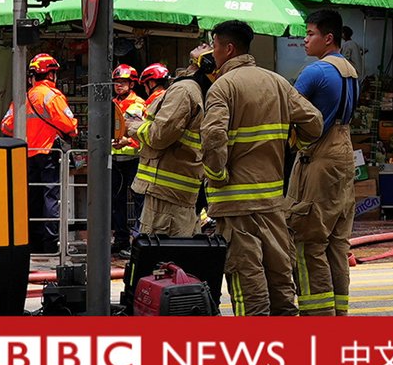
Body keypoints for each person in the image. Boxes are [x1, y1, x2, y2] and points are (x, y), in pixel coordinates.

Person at [201, 20, 323, 317]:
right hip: (271, 201)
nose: (212, 52)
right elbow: (315, 122)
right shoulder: (277, 82)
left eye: (214, 46)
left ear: (228, 48)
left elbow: (213, 137)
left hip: (235, 204)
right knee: (279, 274)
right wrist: (294, 141)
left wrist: (217, 176)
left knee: (247, 278)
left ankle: (254, 349)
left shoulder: (223, 87)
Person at [286, 7, 360, 317]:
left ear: (328, 38)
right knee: (337, 244)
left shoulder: (315, 72)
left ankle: (317, 317)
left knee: (309, 240)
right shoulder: (350, 70)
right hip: (343, 154)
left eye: (310, 33)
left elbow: (289, 110)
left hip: (318, 156)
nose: (305, 40)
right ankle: (337, 315)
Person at [1, 53, 79, 254]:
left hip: (27, 154)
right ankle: (50, 242)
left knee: (32, 197)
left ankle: (32, 240)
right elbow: (70, 124)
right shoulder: (52, 97)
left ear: (32, 76)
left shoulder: (21, 98)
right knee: (50, 197)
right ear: (51, 74)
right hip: (48, 152)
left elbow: (6, 126)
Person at [134, 48, 212, 238]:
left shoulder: (184, 90)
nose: (202, 44)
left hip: (166, 194)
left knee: (162, 257)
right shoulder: (193, 88)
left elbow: (160, 135)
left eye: (209, 44)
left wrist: (135, 128)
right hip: (179, 191)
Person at [110, 65, 145, 256]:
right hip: (115, 159)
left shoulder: (139, 103)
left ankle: (138, 241)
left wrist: (128, 141)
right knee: (117, 201)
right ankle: (121, 239)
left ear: (132, 83)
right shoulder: (112, 103)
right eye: (116, 82)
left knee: (139, 199)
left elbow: (143, 130)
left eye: (122, 82)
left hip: (133, 158)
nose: (119, 86)